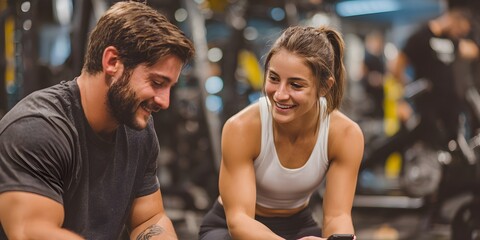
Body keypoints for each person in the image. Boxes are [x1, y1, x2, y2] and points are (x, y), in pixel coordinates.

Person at [0, 1, 194, 239]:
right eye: (156, 83)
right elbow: (34, 233)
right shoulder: (36, 128)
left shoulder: (138, 131)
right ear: (112, 62)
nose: (165, 102)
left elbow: (149, 220)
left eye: (169, 87)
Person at [198, 25, 364, 240]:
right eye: (274, 78)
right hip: (231, 227)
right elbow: (239, 221)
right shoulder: (241, 128)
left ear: (324, 87)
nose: (280, 94)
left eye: (296, 85)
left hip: (298, 225)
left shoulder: (345, 134)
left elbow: (337, 215)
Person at [392, 5, 478, 146]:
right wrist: (404, 98)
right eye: (460, 29)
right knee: (416, 142)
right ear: (453, 20)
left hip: (449, 107)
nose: (460, 33)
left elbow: (473, 50)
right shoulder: (421, 37)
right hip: (427, 108)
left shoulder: (451, 40)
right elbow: (395, 68)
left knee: (452, 148)